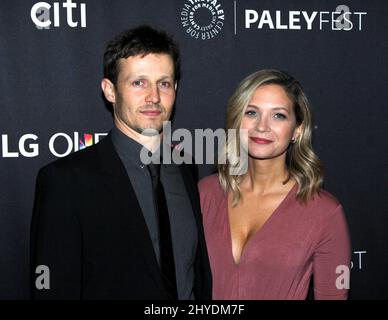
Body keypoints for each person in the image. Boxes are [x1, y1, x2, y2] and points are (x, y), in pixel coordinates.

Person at [30, 25, 212, 300]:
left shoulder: (187, 168)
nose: (153, 96)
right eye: (138, 82)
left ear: (175, 88)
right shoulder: (65, 181)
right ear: (110, 90)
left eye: (163, 83)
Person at [199, 69, 351, 300]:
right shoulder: (205, 193)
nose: (261, 126)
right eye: (251, 112)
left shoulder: (325, 212)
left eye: (278, 115)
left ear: (297, 130)